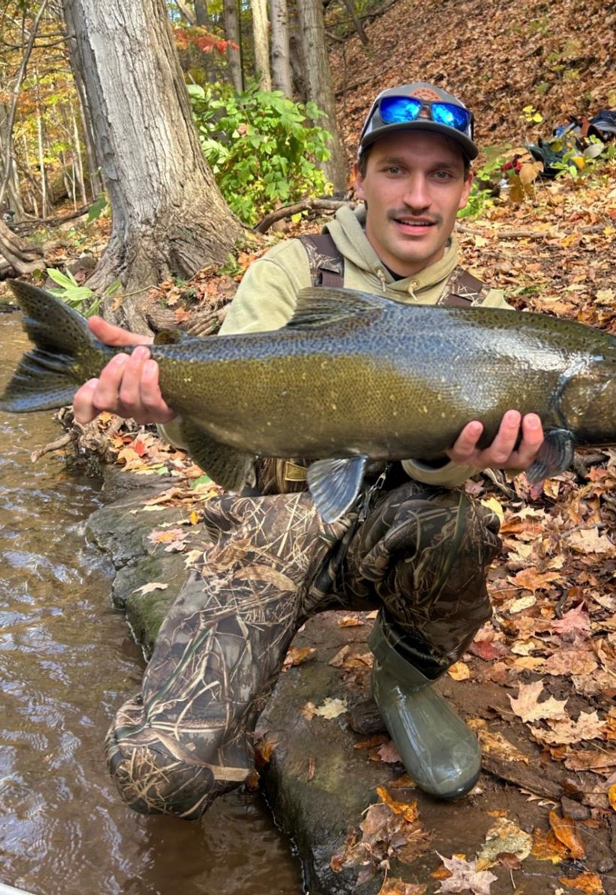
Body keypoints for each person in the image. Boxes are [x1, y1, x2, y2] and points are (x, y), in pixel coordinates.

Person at [74, 82, 544, 818]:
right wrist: (168, 399)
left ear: (464, 189)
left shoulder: (487, 318)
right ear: (358, 177)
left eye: (441, 175)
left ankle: (403, 677)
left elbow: (454, 477)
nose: (417, 196)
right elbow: (230, 413)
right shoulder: (292, 272)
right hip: (269, 531)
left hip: (395, 533)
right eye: (395, 170)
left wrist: (462, 455)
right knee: (158, 775)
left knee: (456, 528)